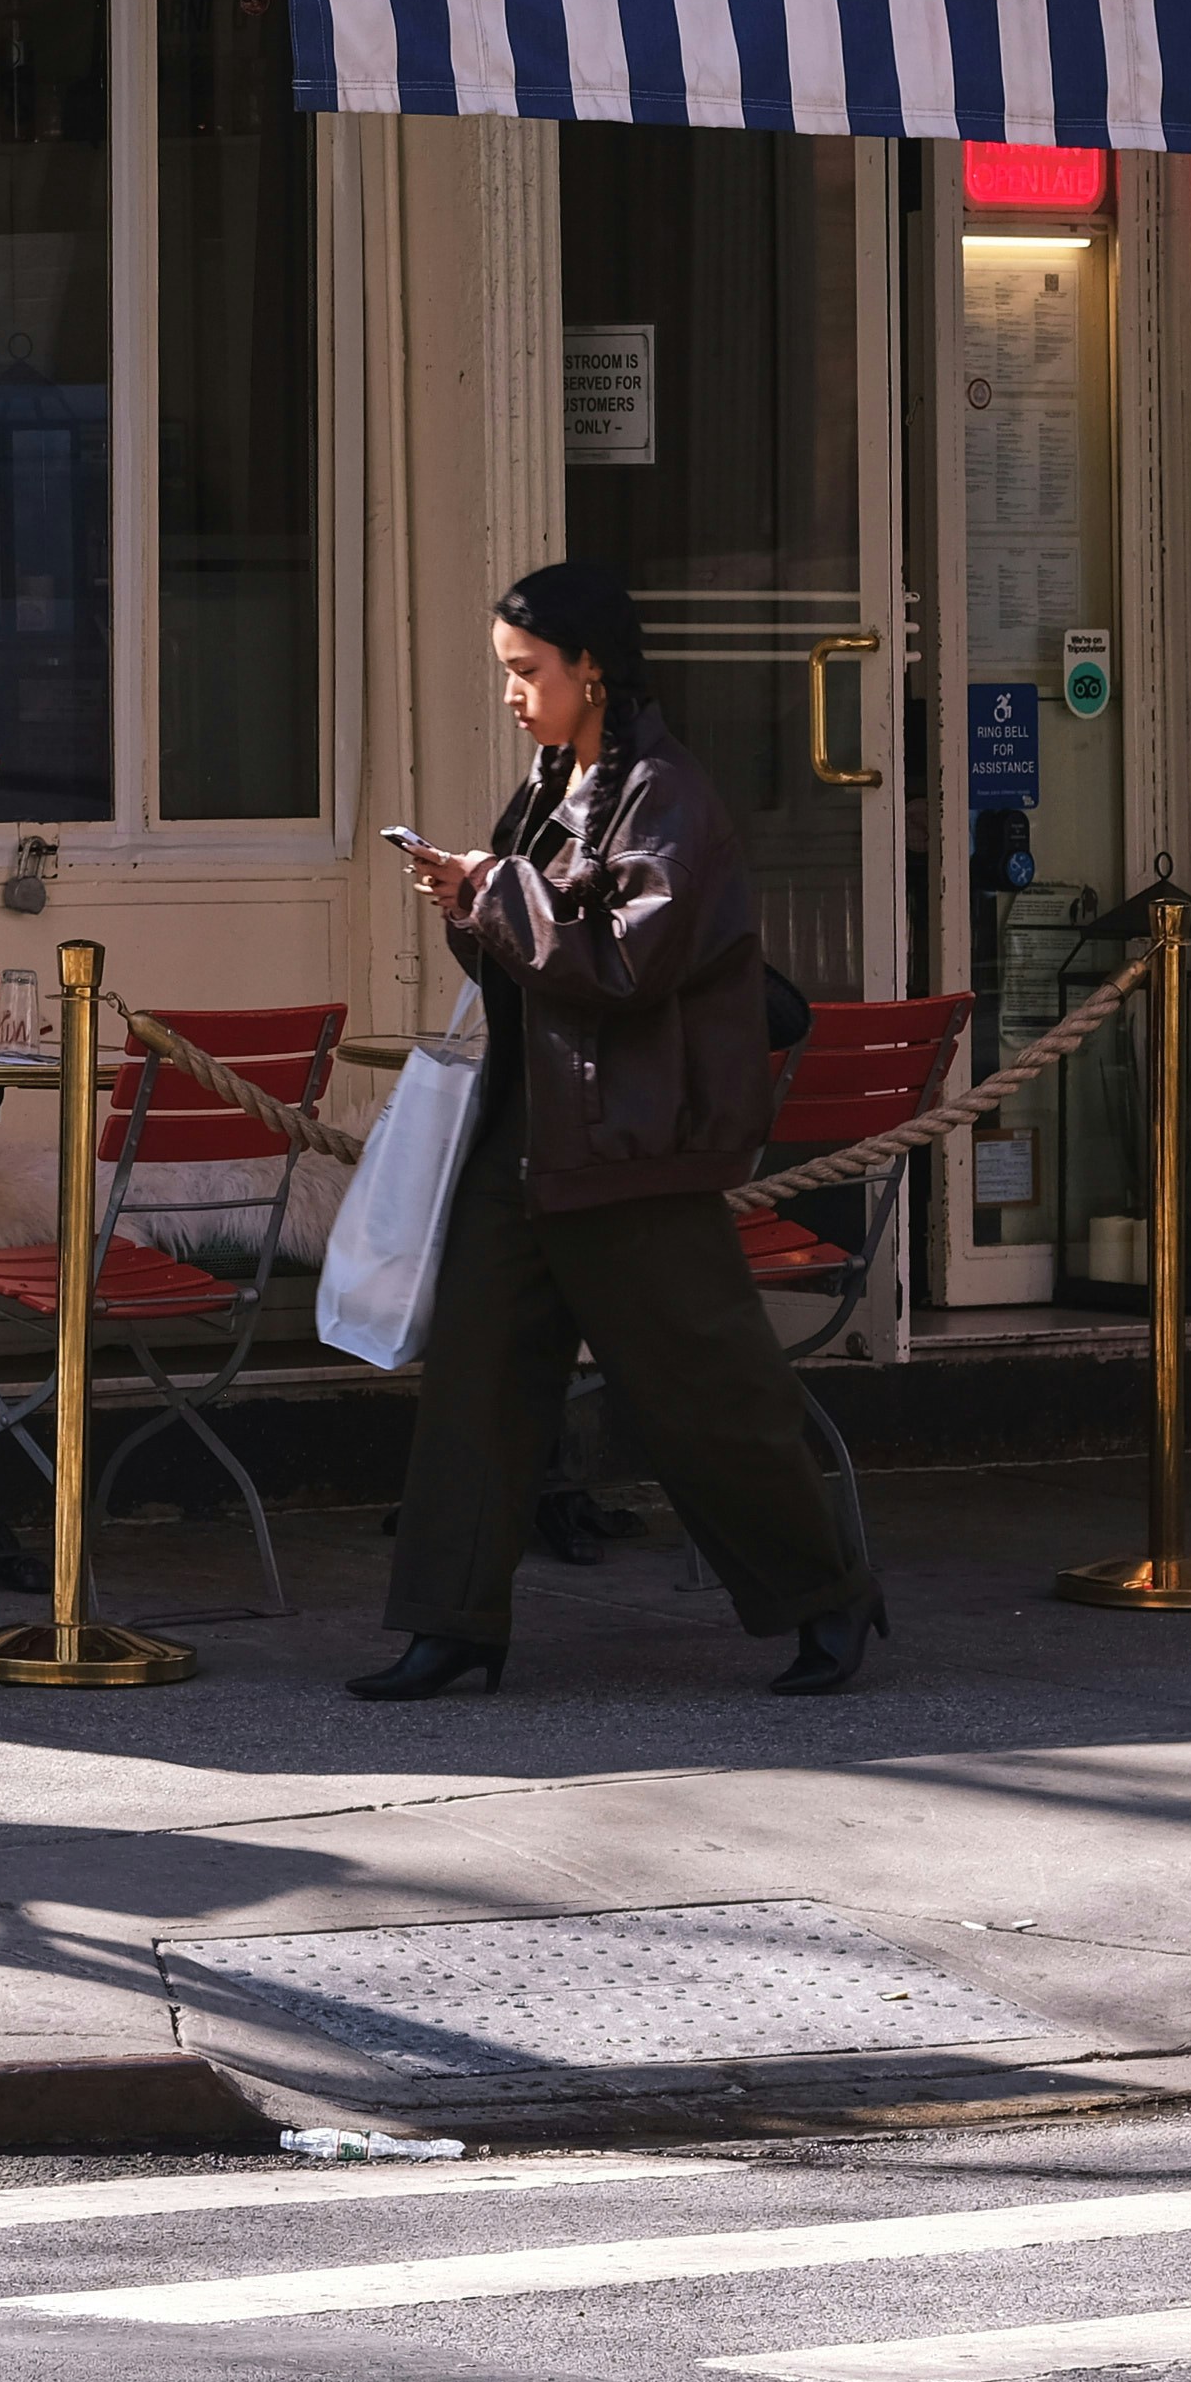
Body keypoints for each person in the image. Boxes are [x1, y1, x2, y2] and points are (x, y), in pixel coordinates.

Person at [356, 558, 882, 1705]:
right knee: (475, 1386)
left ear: (589, 666)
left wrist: (489, 889)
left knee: (709, 1390)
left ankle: (830, 1596)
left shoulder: (666, 793)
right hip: (534, 1128)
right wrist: (471, 899)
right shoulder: (555, 779)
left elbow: (623, 961)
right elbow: (536, 952)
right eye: (505, 671)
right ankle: (449, 1627)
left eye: (526, 670)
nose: (511, 692)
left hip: (632, 1144)